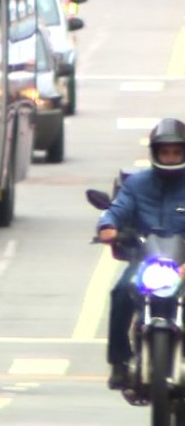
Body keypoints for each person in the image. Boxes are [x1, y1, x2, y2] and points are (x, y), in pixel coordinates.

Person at [95, 118, 185, 389]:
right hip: (146, 260)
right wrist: (107, 225)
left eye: (176, 152)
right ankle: (119, 362)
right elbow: (118, 207)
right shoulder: (136, 184)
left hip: (182, 262)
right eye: (165, 152)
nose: (170, 157)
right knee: (122, 291)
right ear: (155, 153)